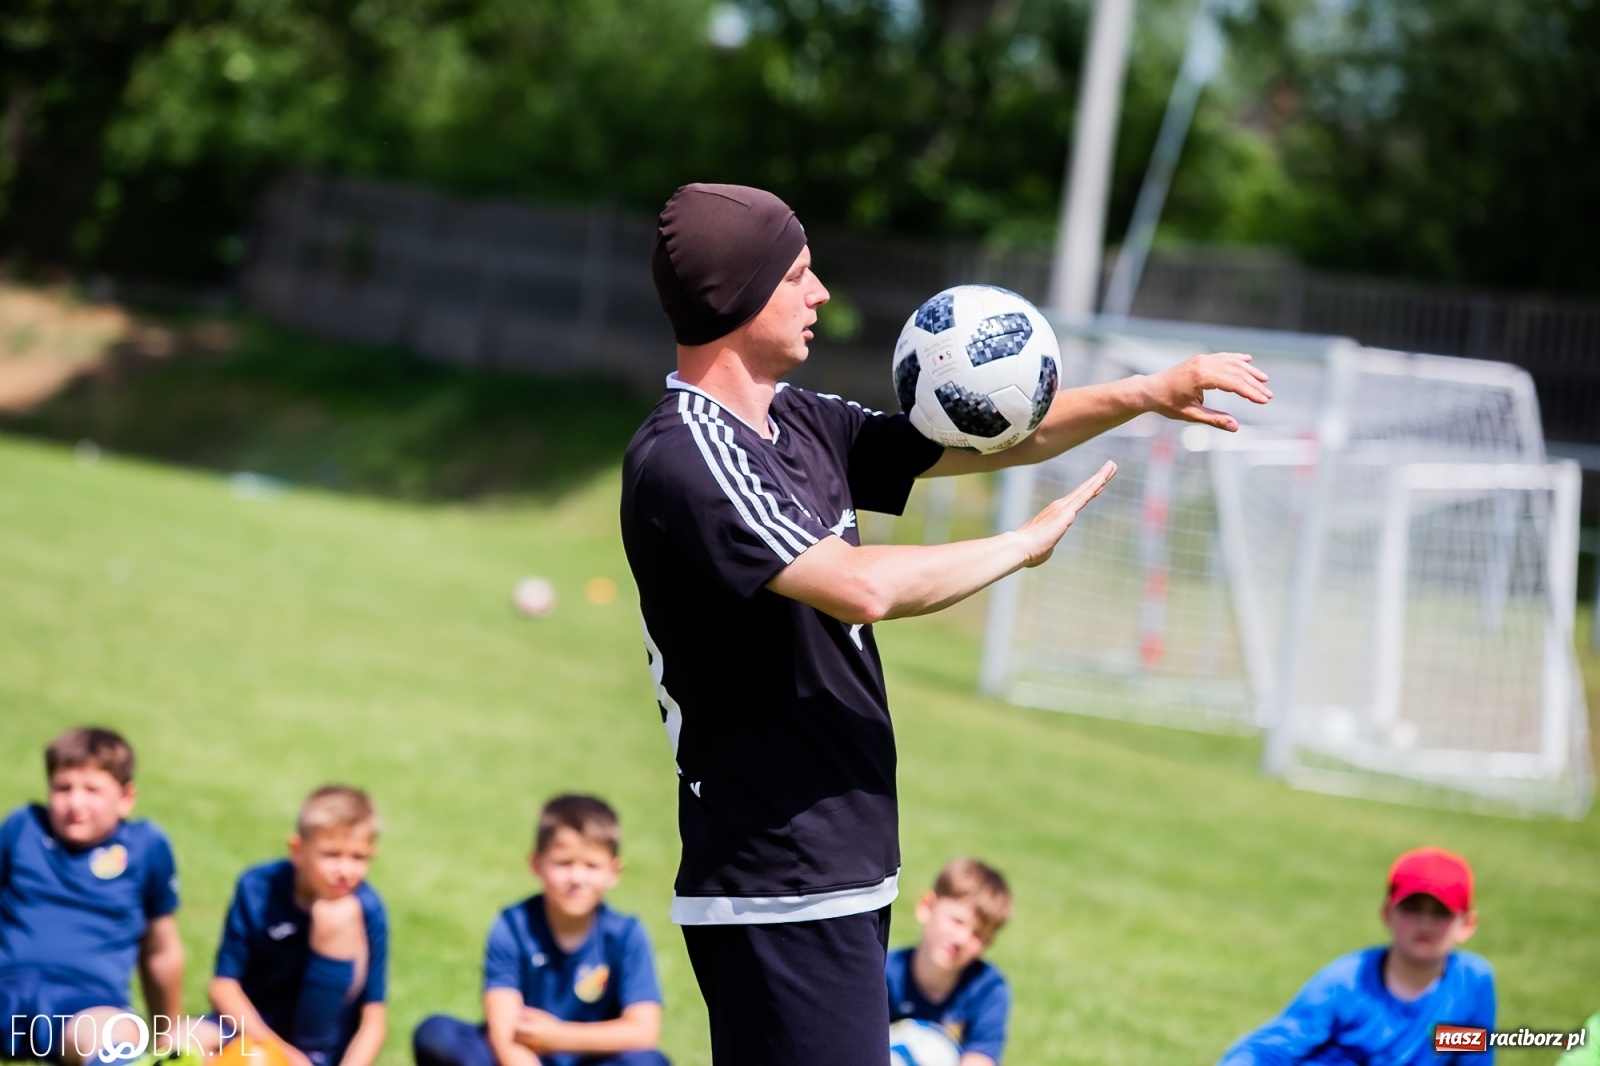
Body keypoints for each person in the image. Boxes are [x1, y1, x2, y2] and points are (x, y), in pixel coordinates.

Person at [621, 182, 1271, 1066]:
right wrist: (1021, 546)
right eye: (799, 276)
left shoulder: (796, 421)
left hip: (837, 863)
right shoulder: (689, 453)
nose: (820, 296)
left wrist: (1146, 392)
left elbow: (986, 437)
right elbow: (858, 587)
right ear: (737, 296)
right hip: (780, 873)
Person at [0, 726, 213, 1065]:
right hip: (6, 985)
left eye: (93, 790)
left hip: (84, 1002)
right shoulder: (23, 826)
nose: (75, 803)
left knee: (113, 1038)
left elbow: (161, 950)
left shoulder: (145, 847)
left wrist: (168, 1033)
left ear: (126, 798)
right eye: (63, 787)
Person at [411, 795, 667, 1066]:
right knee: (436, 1033)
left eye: (591, 865)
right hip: (519, 1058)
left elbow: (643, 1031)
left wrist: (558, 1037)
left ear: (614, 871)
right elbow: (504, 1032)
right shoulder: (512, 926)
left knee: (648, 1061)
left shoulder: (627, 935)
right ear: (537, 864)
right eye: (564, 863)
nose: (577, 878)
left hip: (592, 1059)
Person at [1217, 846, 1496, 1065]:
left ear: (1467, 924)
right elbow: (1271, 1050)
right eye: (1412, 908)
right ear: (1387, 914)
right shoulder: (1346, 982)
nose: (1425, 923)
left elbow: (1472, 1058)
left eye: (1440, 912)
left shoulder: (1472, 983)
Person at [210, 785, 388, 1066]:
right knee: (177, 1043)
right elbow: (223, 986)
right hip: (255, 1027)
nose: (345, 871)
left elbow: (374, 1019)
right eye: (331, 854)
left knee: (337, 915)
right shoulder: (257, 887)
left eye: (359, 857)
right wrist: (281, 1053)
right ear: (297, 850)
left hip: (320, 1049)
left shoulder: (368, 908)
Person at [886, 859, 1013, 1066]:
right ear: (927, 907)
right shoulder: (882, 975)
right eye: (957, 921)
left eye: (978, 934)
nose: (961, 939)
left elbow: (980, 1060)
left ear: (988, 942)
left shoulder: (988, 990)